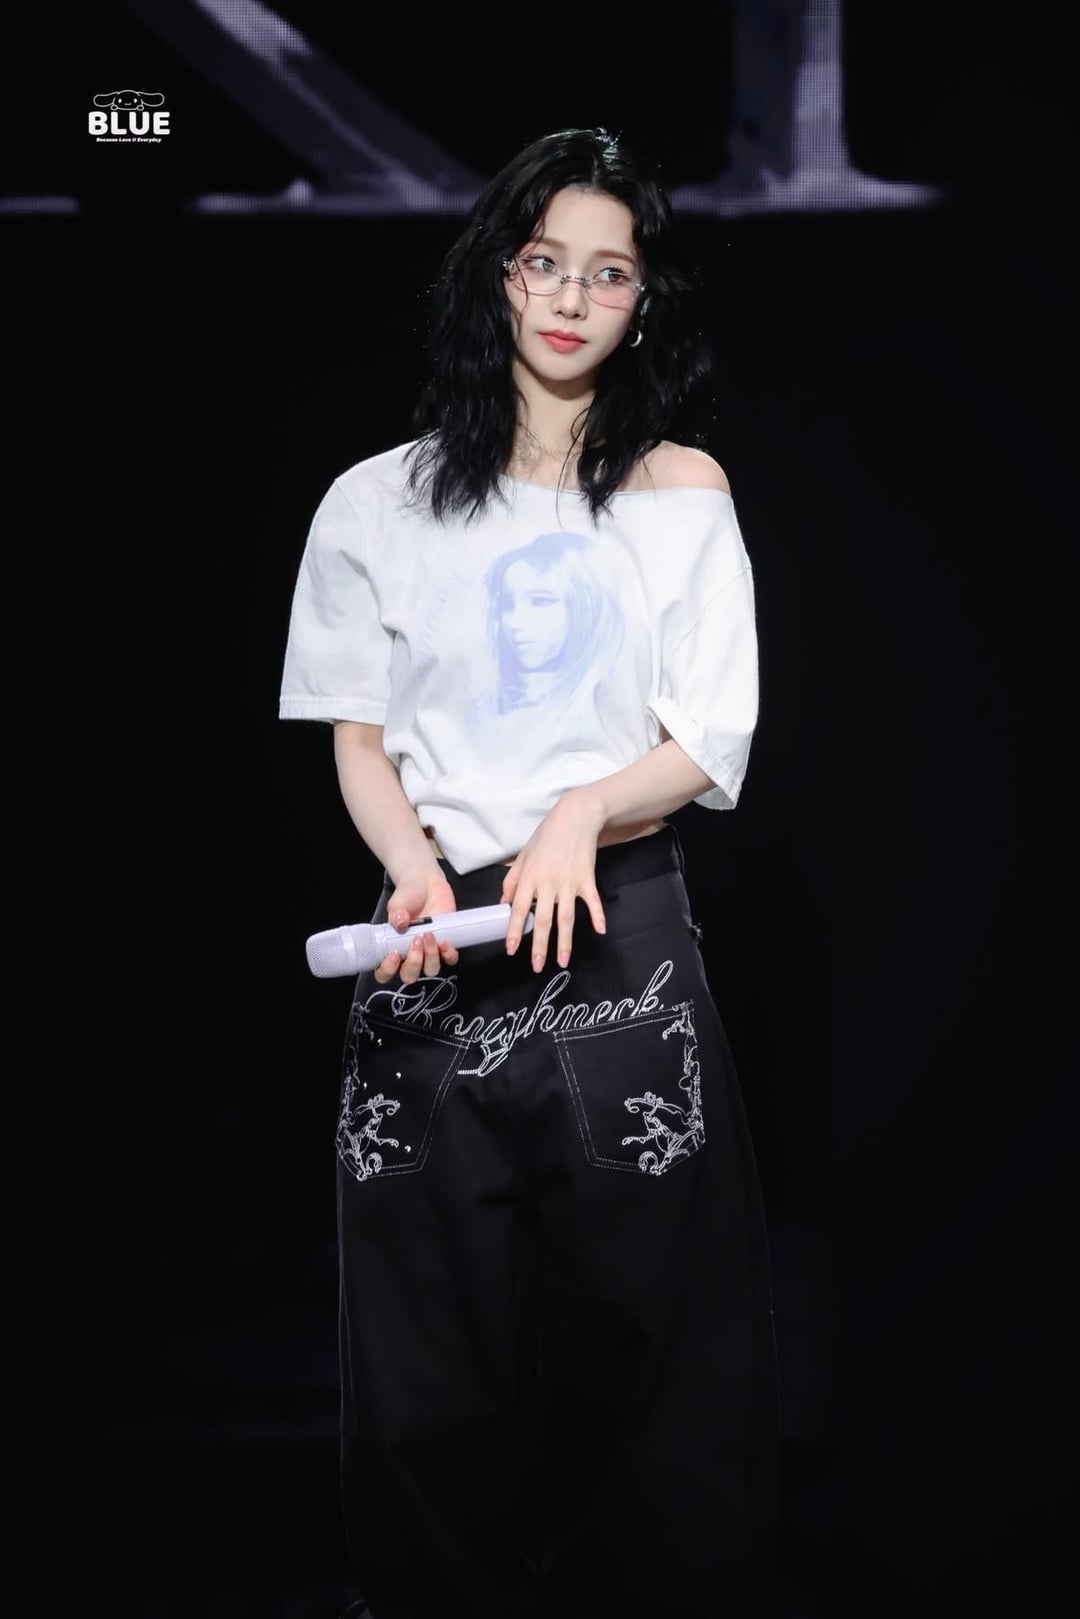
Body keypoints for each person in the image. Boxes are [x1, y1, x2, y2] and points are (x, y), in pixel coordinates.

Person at [279, 126, 780, 1619]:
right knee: (423, 1384)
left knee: (662, 1369)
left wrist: (581, 811)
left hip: (620, 938)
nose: (572, 297)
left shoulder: (680, 490)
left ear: (644, 299)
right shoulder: (375, 502)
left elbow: (711, 734)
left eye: (608, 273)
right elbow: (359, 736)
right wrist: (411, 867)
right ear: (502, 274)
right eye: (547, 261)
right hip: (430, 943)